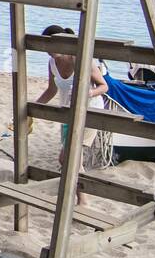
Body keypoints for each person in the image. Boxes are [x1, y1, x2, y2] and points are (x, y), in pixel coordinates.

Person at [34, 25, 109, 205]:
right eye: (45, 47)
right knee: (68, 157)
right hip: (67, 113)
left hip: (90, 111)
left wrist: (86, 94)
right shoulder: (52, 63)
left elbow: (104, 86)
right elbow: (51, 90)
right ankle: (81, 199)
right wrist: (31, 109)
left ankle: (82, 200)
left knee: (70, 155)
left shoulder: (81, 60)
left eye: (50, 46)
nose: (47, 51)